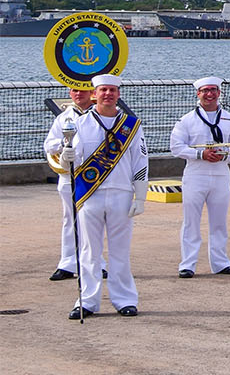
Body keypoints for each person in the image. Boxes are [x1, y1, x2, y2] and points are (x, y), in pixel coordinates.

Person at [61, 74, 146, 319]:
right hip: (90, 194)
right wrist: (64, 159)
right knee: (89, 251)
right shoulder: (80, 123)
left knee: (120, 251)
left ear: (118, 94)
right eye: (103, 90)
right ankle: (87, 301)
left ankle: (125, 300)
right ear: (95, 94)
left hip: (121, 192)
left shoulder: (132, 124)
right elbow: (72, 159)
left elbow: (140, 160)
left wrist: (140, 196)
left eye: (112, 90)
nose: (108, 94)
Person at [169, 76, 230, 278]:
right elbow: (176, 147)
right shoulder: (187, 120)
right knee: (191, 221)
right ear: (198, 94)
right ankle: (187, 264)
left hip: (220, 173)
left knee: (219, 222)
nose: (209, 94)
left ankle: (220, 262)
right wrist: (200, 154)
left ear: (219, 93)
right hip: (196, 173)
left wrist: (224, 155)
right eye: (205, 91)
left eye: (213, 90)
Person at [43, 85, 94, 282]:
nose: (78, 94)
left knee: (94, 221)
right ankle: (67, 263)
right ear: (70, 94)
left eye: (83, 90)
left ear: (92, 93)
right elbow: (48, 144)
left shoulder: (99, 116)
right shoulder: (63, 117)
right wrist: (64, 144)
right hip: (68, 175)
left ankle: (96, 263)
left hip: (95, 175)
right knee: (69, 219)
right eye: (75, 90)